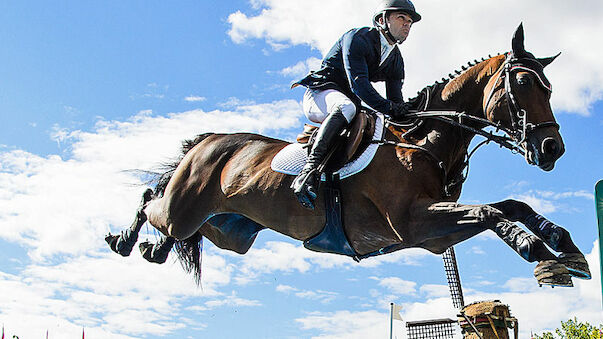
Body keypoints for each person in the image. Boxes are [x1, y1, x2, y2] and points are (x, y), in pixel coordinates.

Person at [290, 0, 421, 209]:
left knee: (378, 122)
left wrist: (409, 111)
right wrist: (389, 107)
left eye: (410, 22)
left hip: (351, 103)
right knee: (347, 107)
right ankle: (308, 172)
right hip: (321, 94)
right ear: (382, 20)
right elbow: (359, 85)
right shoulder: (359, 37)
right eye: (401, 18)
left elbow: (395, 101)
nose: (407, 25)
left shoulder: (396, 59)